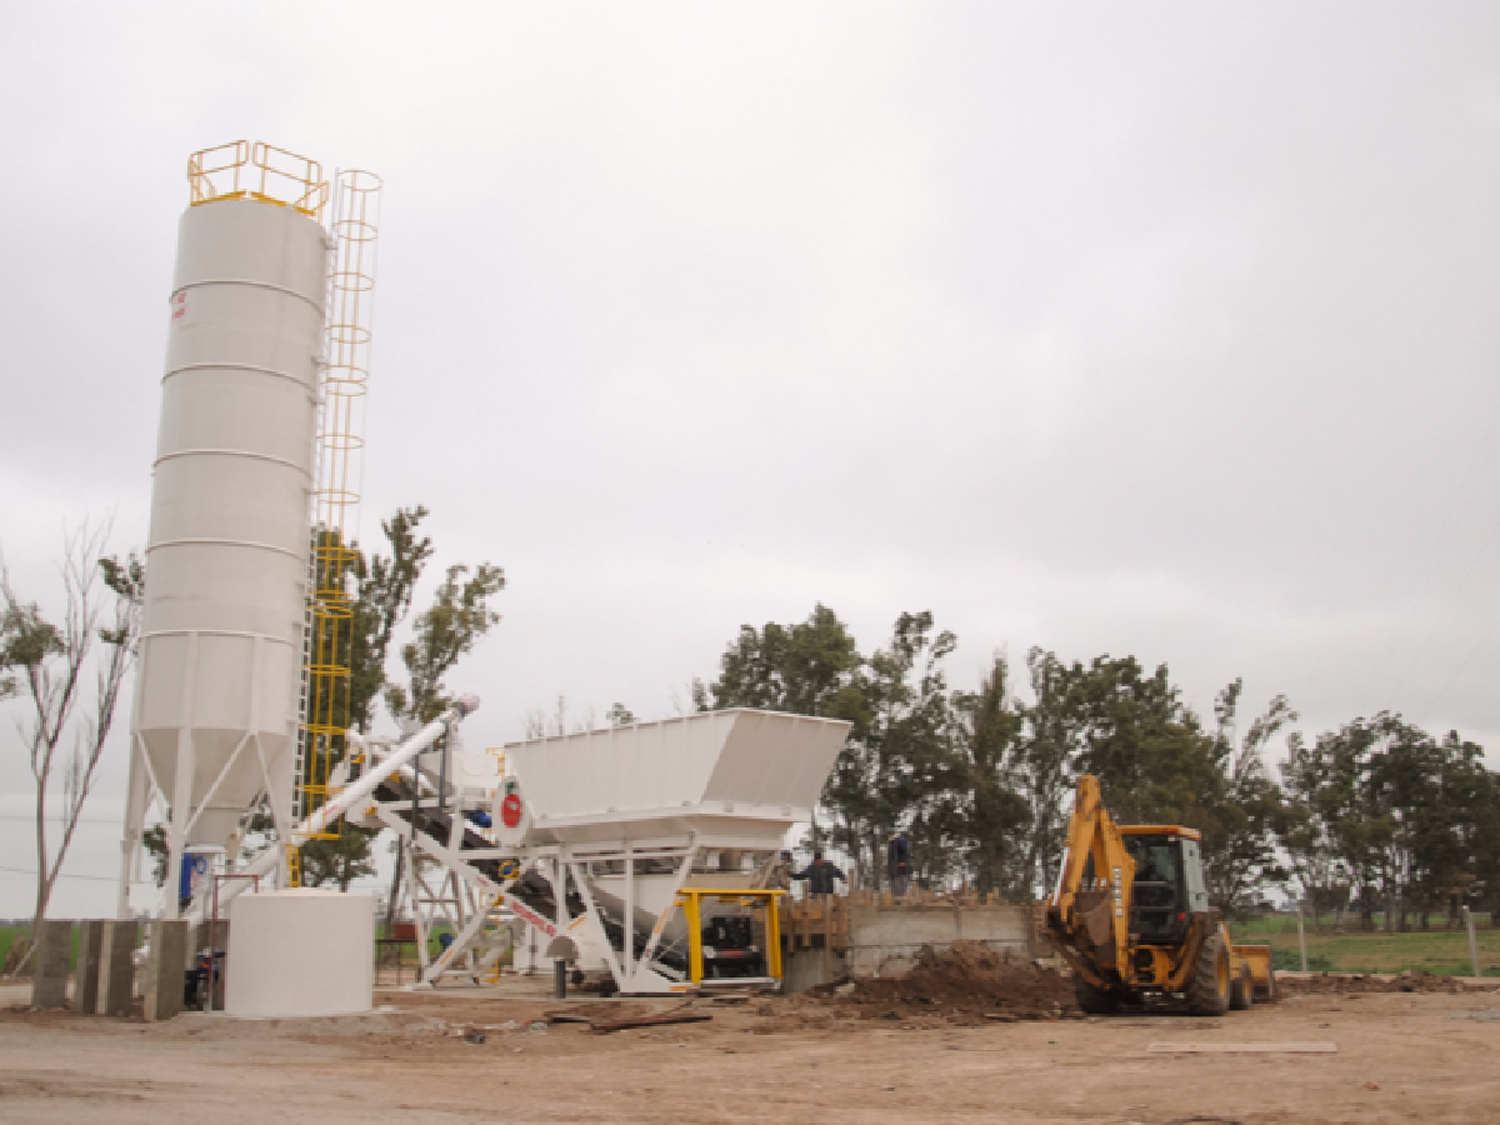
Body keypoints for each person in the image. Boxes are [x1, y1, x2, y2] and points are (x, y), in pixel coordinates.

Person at [887, 831, 911, 898]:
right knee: (894, 885)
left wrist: (902, 861)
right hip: (893, 869)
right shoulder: (891, 842)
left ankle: (901, 897)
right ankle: (896, 898)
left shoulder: (900, 840)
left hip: (900, 869)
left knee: (900, 884)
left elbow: (904, 851)